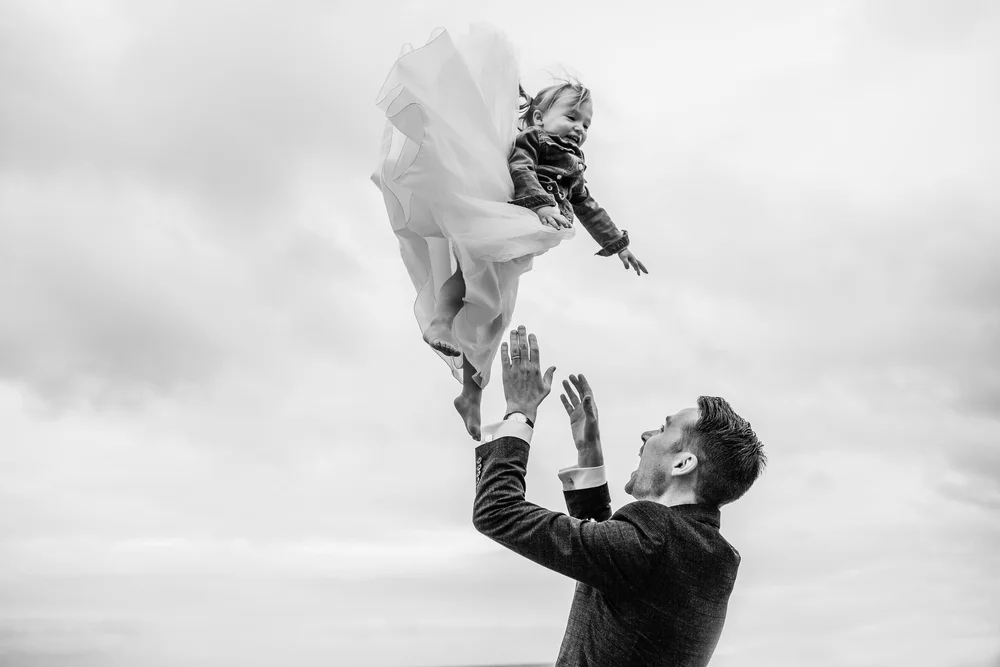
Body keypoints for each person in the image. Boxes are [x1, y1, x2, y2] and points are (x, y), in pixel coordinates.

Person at [372, 25, 647, 442]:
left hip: (523, 244)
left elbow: (589, 206)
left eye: (586, 124)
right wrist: (540, 203)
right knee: (468, 283)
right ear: (539, 117)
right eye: (571, 117)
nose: (579, 129)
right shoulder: (535, 140)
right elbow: (519, 167)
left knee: (494, 317)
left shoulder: (573, 164)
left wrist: (618, 245)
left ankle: (470, 394)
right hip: (509, 221)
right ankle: (440, 323)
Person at [472, 325, 767, 667]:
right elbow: (615, 562)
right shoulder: (716, 558)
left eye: (662, 428)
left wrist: (519, 413)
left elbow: (498, 511)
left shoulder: (653, 537)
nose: (646, 434)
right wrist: (588, 453)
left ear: (683, 463)